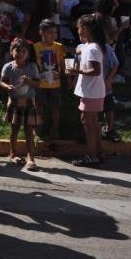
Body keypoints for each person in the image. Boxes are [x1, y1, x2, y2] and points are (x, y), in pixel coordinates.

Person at [65, 14, 105, 166]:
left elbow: (95, 71)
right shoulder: (90, 46)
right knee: (93, 123)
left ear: (86, 29)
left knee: (88, 123)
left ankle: (91, 156)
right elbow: (78, 49)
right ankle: (99, 152)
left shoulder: (93, 48)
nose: (78, 31)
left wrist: (77, 72)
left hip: (91, 91)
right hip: (93, 91)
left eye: (79, 28)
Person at [0, 38, 41, 170]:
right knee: (14, 129)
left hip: (29, 102)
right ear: (11, 52)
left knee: (29, 131)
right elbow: (2, 81)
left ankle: (31, 158)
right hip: (14, 102)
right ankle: (13, 154)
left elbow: (38, 83)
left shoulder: (32, 67)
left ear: (28, 53)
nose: (20, 53)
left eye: (24, 51)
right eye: (17, 50)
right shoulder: (8, 67)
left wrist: (30, 82)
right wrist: (7, 87)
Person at [33, 19, 66, 139]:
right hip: (40, 84)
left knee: (55, 107)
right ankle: (38, 127)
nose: (53, 35)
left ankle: (55, 129)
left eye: (55, 33)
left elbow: (62, 63)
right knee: (39, 106)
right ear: (42, 33)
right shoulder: (35, 47)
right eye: (50, 33)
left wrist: (66, 77)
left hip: (55, 84)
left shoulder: (59, 47)